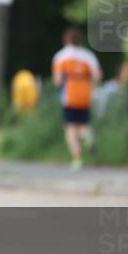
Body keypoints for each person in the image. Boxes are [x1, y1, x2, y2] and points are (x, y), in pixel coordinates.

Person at [51, 28, 102, 170]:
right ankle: (88, 136)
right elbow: (97, 76)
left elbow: (57, 80)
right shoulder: (88, 56)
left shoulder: (60, 56)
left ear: (65, 40)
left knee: (70, 128)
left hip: (69, 96)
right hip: (85, 95)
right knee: (83, 124)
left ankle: (77, 158)